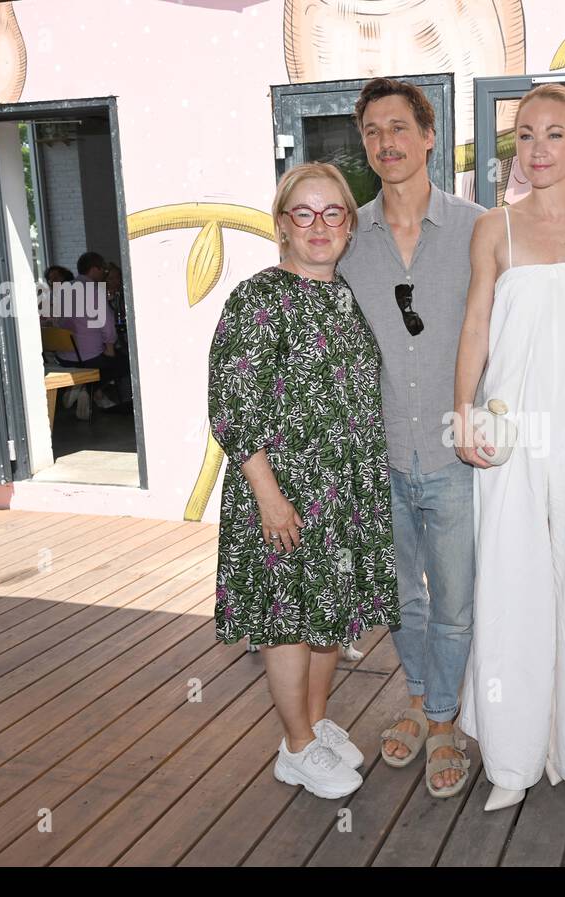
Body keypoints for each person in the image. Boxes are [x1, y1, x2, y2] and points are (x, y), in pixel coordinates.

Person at [454, 83, 565, 811]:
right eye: (524, 135)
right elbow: (475, 325)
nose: (538, 149)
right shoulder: (493, 228)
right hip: (513, 423)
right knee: (512, 579)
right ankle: (513, 754)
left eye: (554, 135)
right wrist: (462, 413)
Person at [206, 162, 400, 799]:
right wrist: (268, 496)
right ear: (283, 225)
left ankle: (313, 727)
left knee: (325, 614)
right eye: (304, 214)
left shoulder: (346, 294)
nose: (319, 226)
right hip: (283, 494)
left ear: (349, 224)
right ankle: (293, 746)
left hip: (341, 491)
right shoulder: (258, 296)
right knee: (288, 619)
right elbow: (234, 404)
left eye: (333, 213)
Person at [337, 77, 483, 799]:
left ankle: (446, 718)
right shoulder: (345, 238)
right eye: (372, 131)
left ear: (430, 137)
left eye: (399, 127)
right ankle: (426, 702)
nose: (386, 142)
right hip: (379, 454)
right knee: (402, 599)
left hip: (458, 452)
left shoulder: (479, 228)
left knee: (457, 597)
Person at [46, 251, 128, 411]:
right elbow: (108, 326)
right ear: (94, 269)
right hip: (89, 357)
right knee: (126, 363)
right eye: (103, 270)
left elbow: (55, 320)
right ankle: (88, 389)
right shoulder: (95, 290)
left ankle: (85, 390)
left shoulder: (61, 290)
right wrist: (110, 347)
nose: (104, 273)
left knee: (109, 360)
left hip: (63, 357)